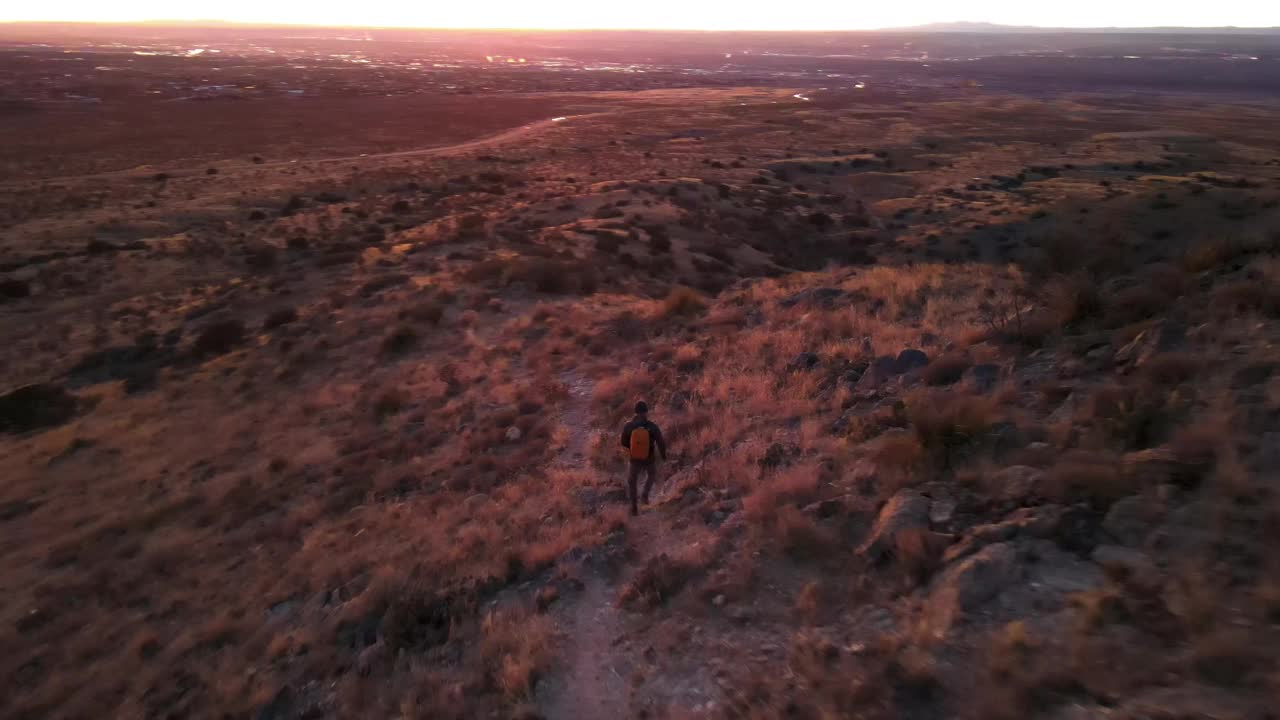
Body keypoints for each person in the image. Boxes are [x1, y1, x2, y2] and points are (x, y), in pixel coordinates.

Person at [619, 400, 668, 516]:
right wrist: (663, 456)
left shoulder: (628, 426)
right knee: (651, 475)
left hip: (634, 459)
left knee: (632, 481)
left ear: (635, 412)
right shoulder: (652, 426)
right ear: (646, 412)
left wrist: (632, 449)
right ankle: (645, 494)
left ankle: (634, 507)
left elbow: (623, 442)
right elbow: (661, 442)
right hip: (649, 458)